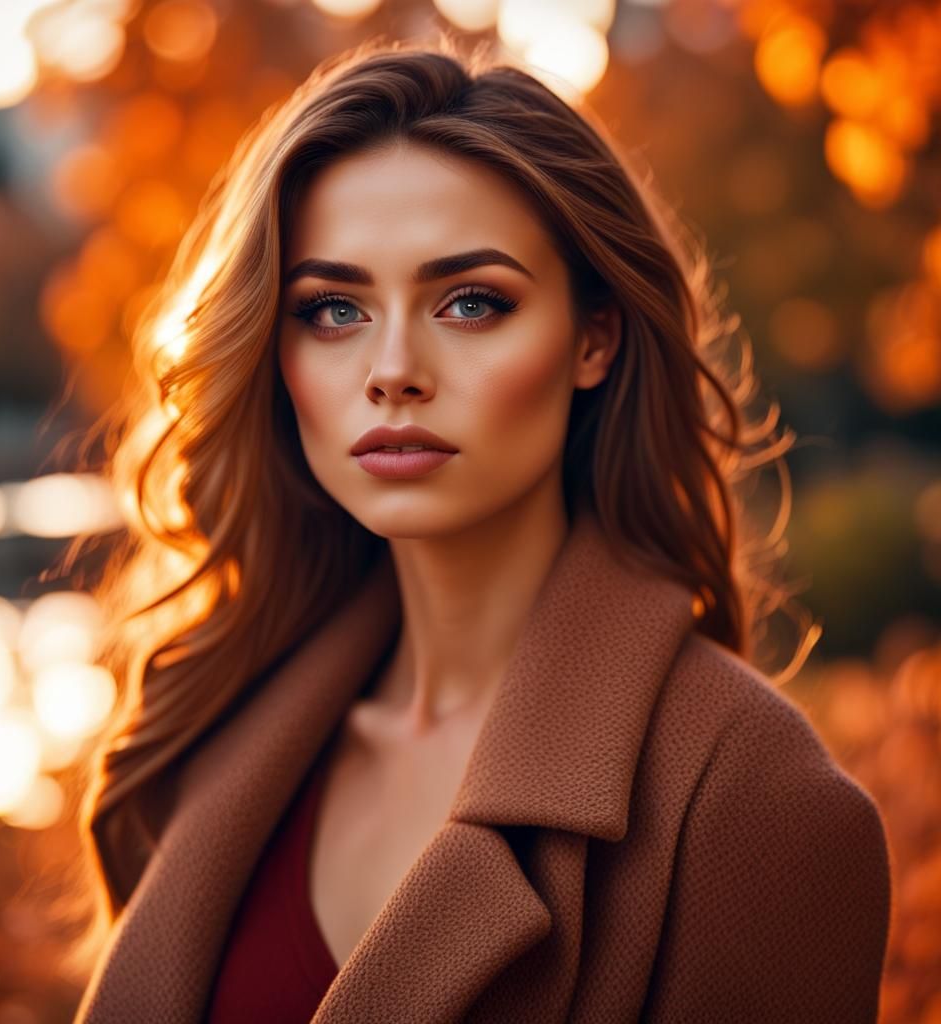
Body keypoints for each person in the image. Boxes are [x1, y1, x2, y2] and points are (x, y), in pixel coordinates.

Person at [67, 36, 891, 1023]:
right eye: (332, 310)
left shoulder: (754, 806)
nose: (393, 369)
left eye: (469, 302)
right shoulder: (220, 722)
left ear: (594, 337)